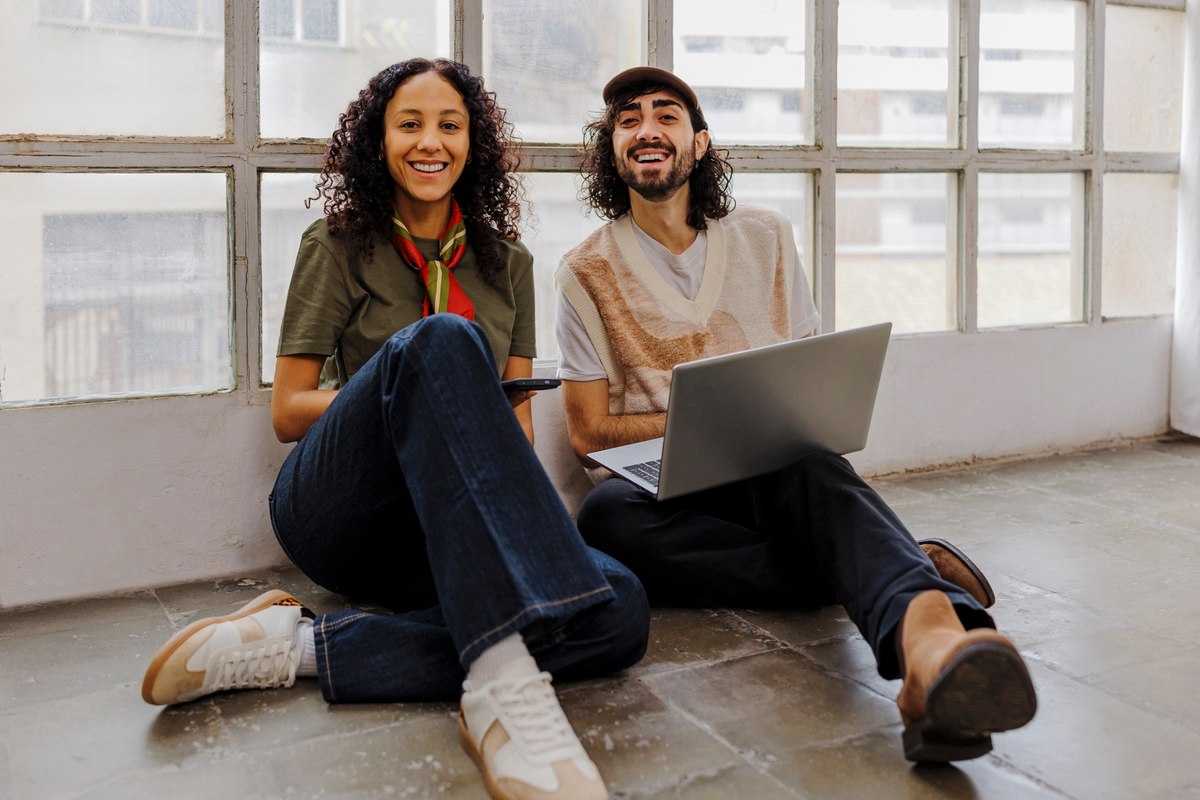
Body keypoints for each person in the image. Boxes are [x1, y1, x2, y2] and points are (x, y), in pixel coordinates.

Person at [141, 59, 649, 800]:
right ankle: (501, 695)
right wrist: (410, 394)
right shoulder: (337, 244)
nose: (429, 142)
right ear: (378, 141)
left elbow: (514, 427)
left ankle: (299, 647)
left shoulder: (508, 264)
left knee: (618, 607)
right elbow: (288, 409)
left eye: (450, 126)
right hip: (344, 511)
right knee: (441, 343)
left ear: (473, 143)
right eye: (409, 124)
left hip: (445, 523)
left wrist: (530, 534)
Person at [555, 66, 1036, 763]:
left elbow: (805, 374)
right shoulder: (584, 271)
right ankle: (899, 561)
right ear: (612, 148)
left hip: (771, 471)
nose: (646, 129)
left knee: (812, 466)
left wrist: (759, 422)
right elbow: (588, 435)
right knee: (604, 519)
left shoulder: (767, 236)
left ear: (699, 143)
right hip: (662, 490)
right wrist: (702, 422)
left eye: (666, 115)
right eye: (628, 120)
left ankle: (932, 644)